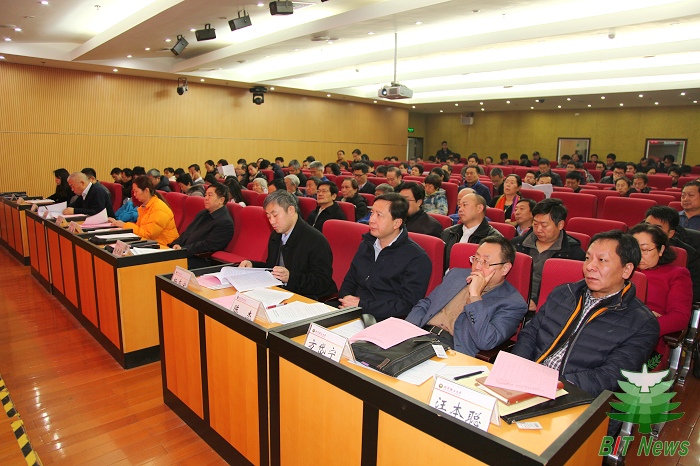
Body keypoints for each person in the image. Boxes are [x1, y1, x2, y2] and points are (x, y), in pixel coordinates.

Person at [512, 230, 659, 399]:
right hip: (527, 383)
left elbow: (611, 376)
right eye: (588, 258)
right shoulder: (563, 293)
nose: (589, 266)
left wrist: (553, 385)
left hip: (575, 397)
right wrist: (518, 369)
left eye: (602, 260)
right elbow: (530, 334)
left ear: (626, 270)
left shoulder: (642, 323)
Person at [406, 236, 528, 355]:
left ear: (505, 268)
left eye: (486, 262)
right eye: (476, 259)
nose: (477, 266)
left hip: (451, 349)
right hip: (420, 335)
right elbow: (426, 303)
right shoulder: (456, 274)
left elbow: (486, 341)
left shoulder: (513, 303)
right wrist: (407, 329)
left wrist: (475, 296)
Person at [338, 193, 431, 320]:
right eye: (372, 213)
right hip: (352, 310)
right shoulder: (366, 244)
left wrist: (362, 305)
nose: (371, 220)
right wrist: (346, 297)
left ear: (396, 223)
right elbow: (350, 280)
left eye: (379, 215)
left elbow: (407, 304)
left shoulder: (417, 258)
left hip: (385, 320)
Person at [238, 191, 337, 300]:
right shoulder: (276, 235)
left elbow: (322, 282)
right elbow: (272, 268)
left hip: (308, 298)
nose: (272, 221)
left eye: (275, 215)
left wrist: (291, 278)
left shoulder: (316, 240)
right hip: (281, 293)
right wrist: (252, 265)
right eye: (268, 217)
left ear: (291, 210)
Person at [629, 223, 692, 368]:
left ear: (661, 249)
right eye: (634, 249)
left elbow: (680, 317)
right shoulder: (621, 269)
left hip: (646, 340)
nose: (639, 255)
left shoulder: (677, 274)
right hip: (610, 331)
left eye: (645, 250)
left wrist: (646, 325)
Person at [511, 198, 585, 310]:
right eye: (535, 224)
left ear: (560, 225)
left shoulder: (574, 255)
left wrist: (538, 302)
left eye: (544, 225)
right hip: (511, 301)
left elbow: (574, 292)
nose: (538, 229)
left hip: (550, 308)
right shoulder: (516, 244)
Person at [169, 184, 234, 269]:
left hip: (199, 259)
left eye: (210, 195)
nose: (206, 198)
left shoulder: (225, 222)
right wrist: (176, 244)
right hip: (184, 252)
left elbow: (206, 246)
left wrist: (182, 250)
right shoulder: (203, 213)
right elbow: (187, 232)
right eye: (205, 195)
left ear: (221, 200)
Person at [644, 205, 700, 302]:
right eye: (647, 225)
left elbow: (694, 292)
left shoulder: (687, 254)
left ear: (670, 233)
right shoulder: (630, 245)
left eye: (657, 228)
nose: (649, 231)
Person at [108, 176, 178, 246]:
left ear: (146, 190)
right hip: (149, 243)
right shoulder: (145, 206)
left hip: (163, 246)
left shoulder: (159, 208)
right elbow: (141, 229)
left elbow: (148, 234)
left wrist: (125, 226)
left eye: (136, 191)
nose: (134, 194)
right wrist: (120, 225)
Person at [442, 193, 501, 267]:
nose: (460, 210)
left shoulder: (494, 239)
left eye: (465, 205)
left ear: (479, 208)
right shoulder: (448, 233)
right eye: (459, 206)